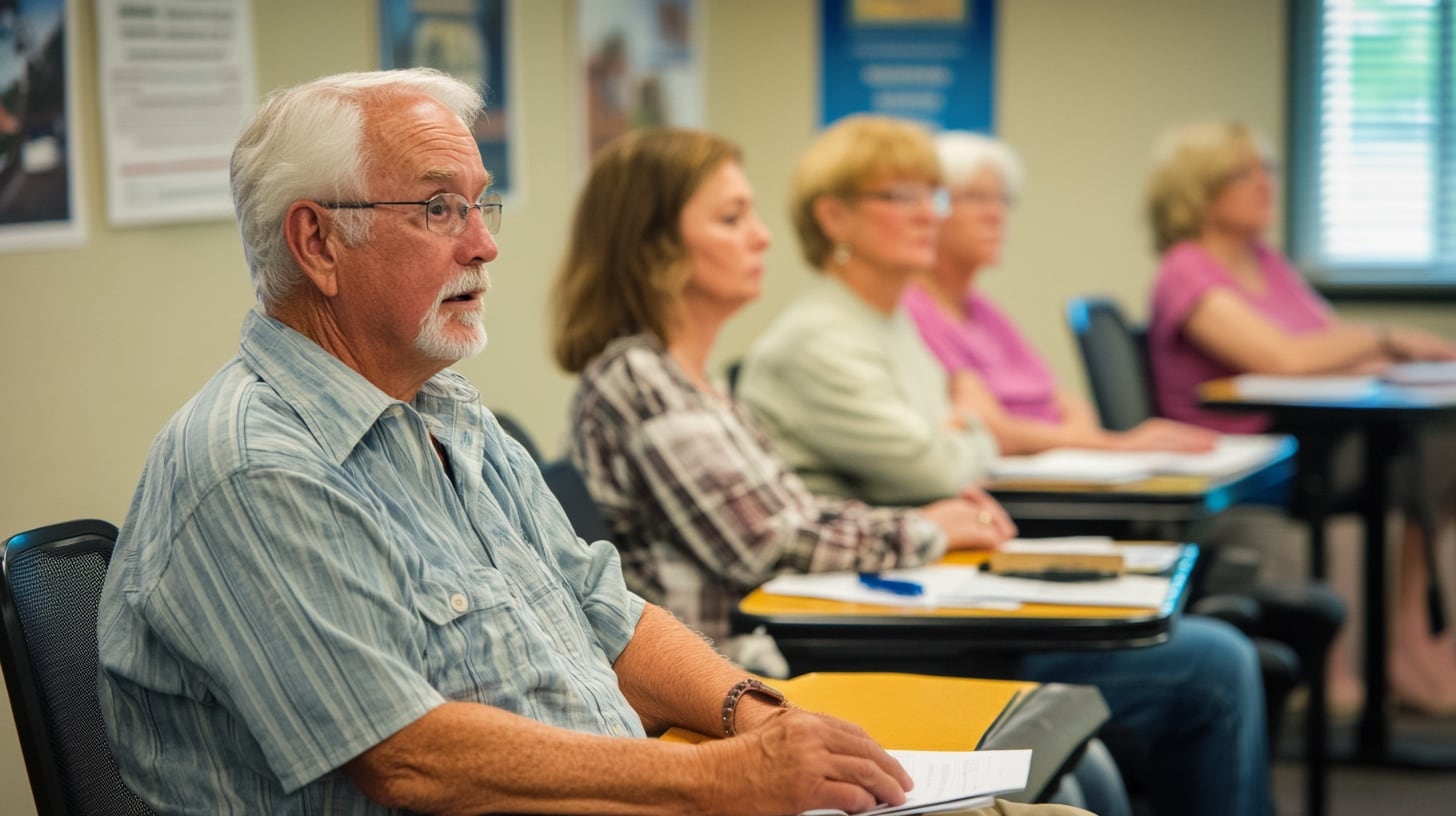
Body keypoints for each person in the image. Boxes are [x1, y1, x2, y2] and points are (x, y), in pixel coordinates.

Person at [94, 69, 1080, 816]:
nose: (481, 242)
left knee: (1049, 789)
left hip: (641, 790)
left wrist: (755, 712)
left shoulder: (447, 414)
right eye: (439, 207)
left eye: (481, 204)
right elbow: (409, 755)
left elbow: (605, 613)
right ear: (317, 245)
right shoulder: (256, 464)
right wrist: (711, 782)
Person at [553, 126, 1125, 815]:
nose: (763, 238)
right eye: (733, 218)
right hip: (733, 693)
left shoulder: (694, 381)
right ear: (652, 245)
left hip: (774, 666)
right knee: (1075, 767)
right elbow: (765, 541)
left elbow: (802, 512)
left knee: (1078, 758)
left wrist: (926, 523)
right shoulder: (636, 377)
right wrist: (927, 531)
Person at [737, 114, 1272, 816]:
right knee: (1214, 666)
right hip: (882, 633)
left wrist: (968, 423)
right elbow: (936, 464)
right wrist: (970, 420)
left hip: (933, 595)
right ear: (833, 216)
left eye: (933, 194)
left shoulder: (886, 321)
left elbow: (963, 443)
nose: (931, 214)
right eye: (901, 195)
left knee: (1209, 650)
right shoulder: (817, 339)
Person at [1144, 119, 1456, 715]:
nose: (1265, 184)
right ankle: (1407, 649)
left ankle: (1410, 640)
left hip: (1308, 444)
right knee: (1441, 449)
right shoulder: (1187, 269)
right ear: (1198, 189)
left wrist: (1380, 351)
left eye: (1268, 170)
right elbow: (1282, 358)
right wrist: (1388, 335)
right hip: (1255, 461)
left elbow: (1330, 345)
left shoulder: (1264, 260)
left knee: (1438, 446)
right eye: (1244, 173)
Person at [904, 131, 1216, 457]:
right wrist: (1112, 445)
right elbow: (989, 430)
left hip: (1060, 463)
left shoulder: (982, 309)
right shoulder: (913, 309)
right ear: (930, 210)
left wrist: (1084, 442)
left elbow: (1065, 400)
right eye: (975, 198)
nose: (995, 215)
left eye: (1001, 200)